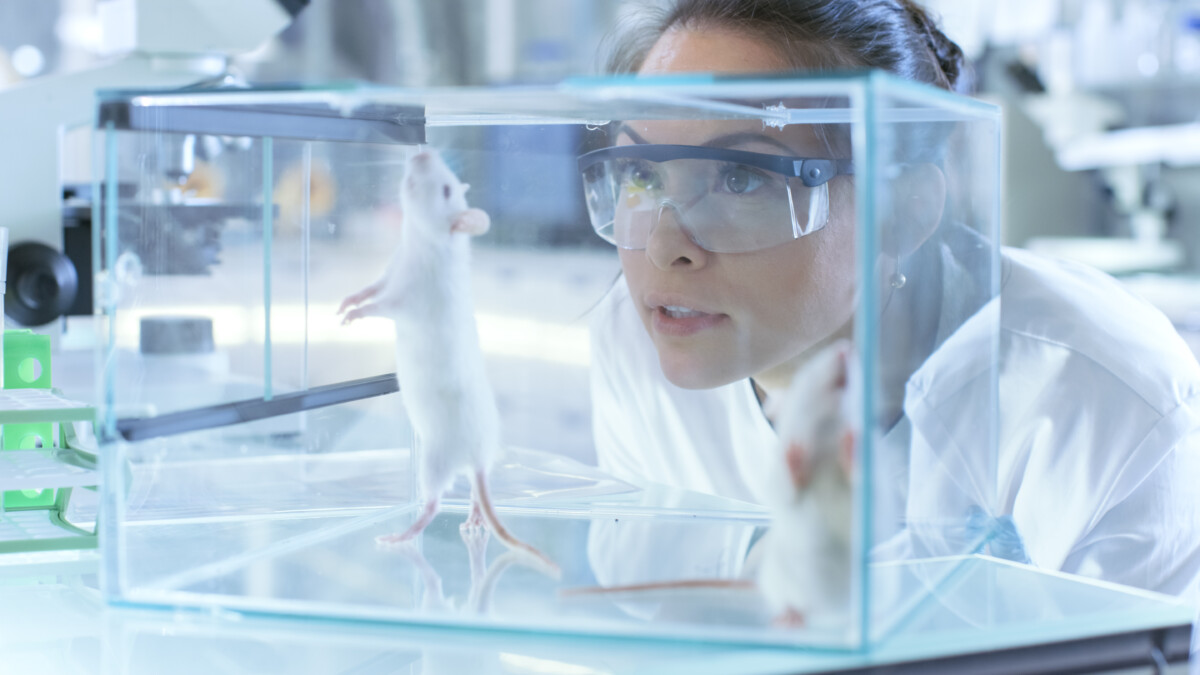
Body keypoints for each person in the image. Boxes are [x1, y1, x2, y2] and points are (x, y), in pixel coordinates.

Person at [585, 0, 1200, 600]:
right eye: (643, 175)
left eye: (743, 177)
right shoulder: (637, 343)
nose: (665, 249)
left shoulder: (1113, 402)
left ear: (904, 210)